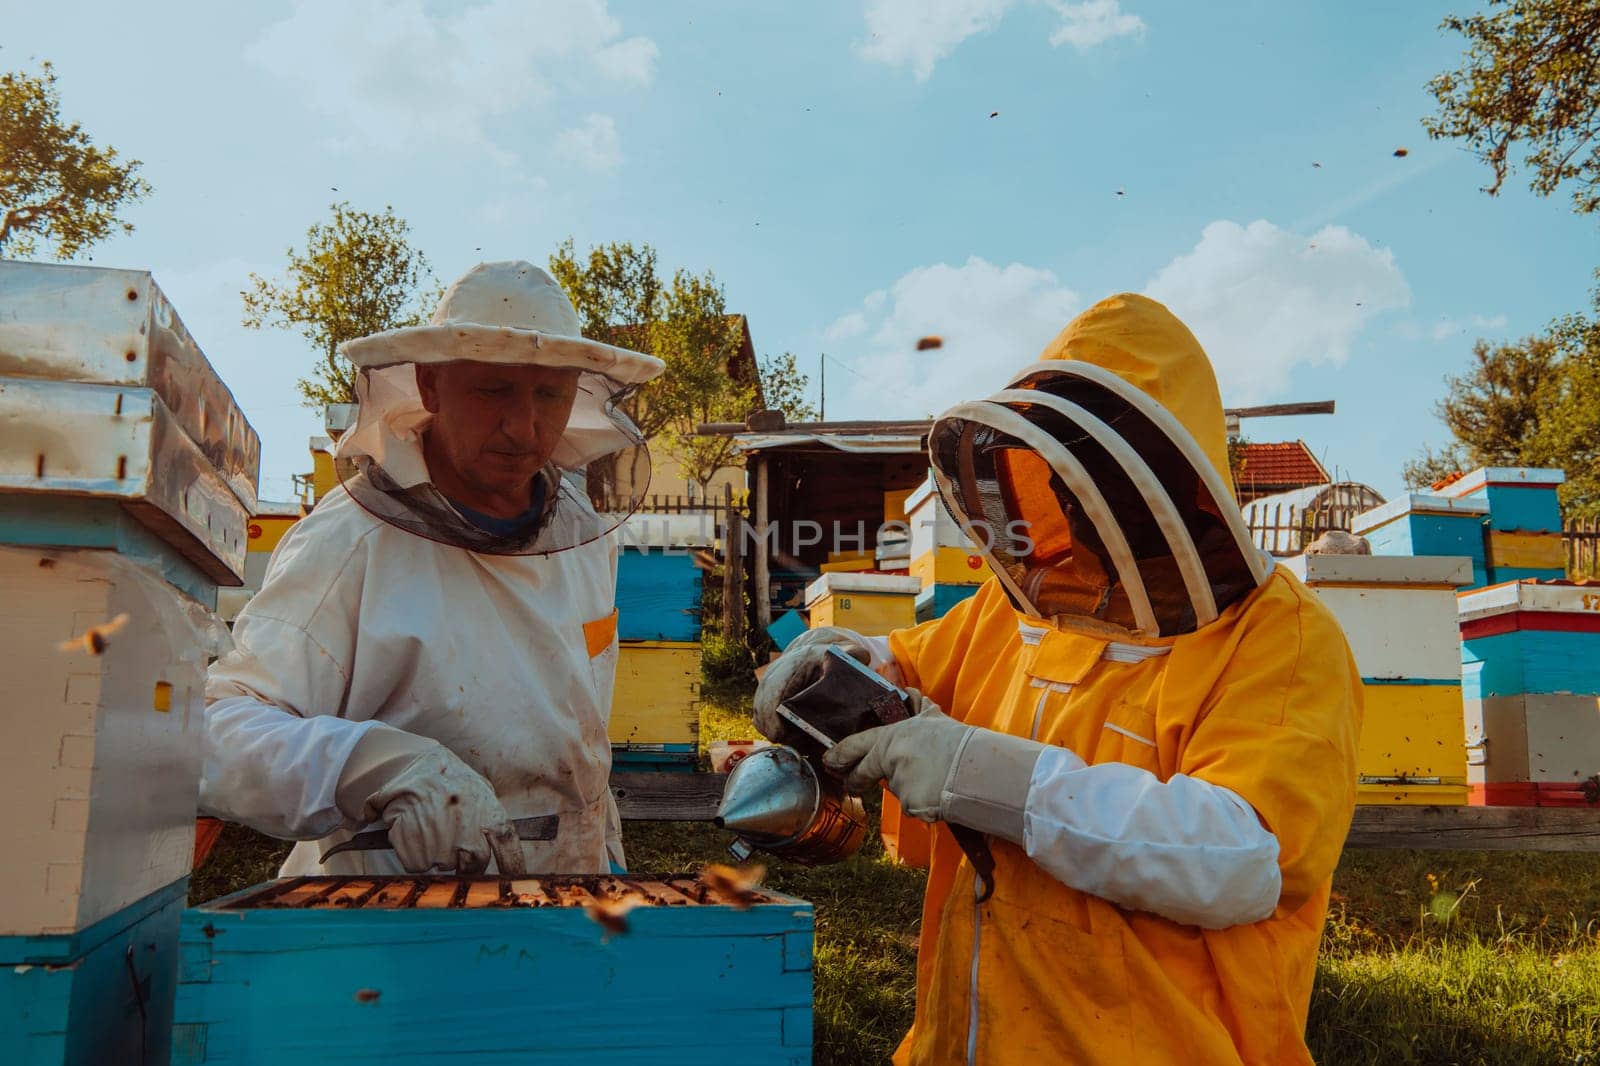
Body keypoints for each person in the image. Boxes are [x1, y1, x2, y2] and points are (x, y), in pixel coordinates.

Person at [755, 294, 1361, 1064]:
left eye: (1100, 479)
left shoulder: (1284, 639)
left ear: (1175, 480)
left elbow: (1243, 858)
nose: (1077, 509)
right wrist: (831, 661)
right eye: (1063, 480)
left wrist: (989, 778)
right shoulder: (1018, 609)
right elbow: (905, 660)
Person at [201, 261, 664, 877]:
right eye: (493, 390)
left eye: (549, 394)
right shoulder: (350, 540)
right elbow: (216, 728)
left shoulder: (583, 537)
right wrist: (373, 764)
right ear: (430, 386)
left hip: (570, 899)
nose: (523, 427)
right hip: (386, 923)